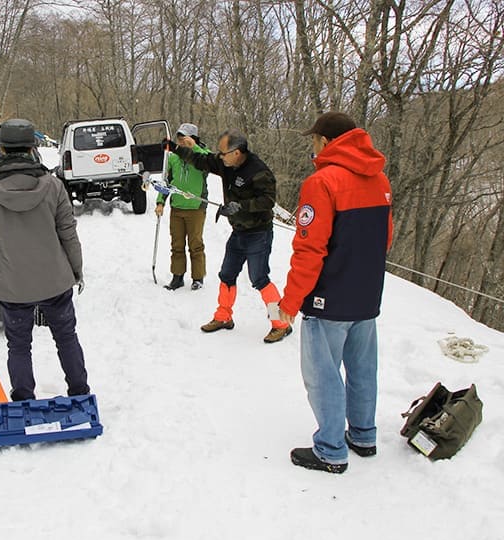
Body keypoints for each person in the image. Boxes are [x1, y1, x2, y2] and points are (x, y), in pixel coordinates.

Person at [278, 112, 393, 474]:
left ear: (326, 142)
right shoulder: (379, 178)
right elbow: (385, 238)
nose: (312, 146)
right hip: (367, 293)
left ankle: (330, 448)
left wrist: (290, 303)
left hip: (329, 297)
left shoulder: (322, 182)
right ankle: (362, 434)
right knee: (362, 369)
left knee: (323, 373)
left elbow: (310, 250)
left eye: (314, 140)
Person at [0, 118, 89, 402]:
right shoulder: (53, 186)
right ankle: (80, 392)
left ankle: (23, 398)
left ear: (3, 150)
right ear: (32, 147)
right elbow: (68, 232)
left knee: (19, 345)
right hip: (54, 280)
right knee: (66, 337)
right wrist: (77, 269)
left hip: (11, 285)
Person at [165, 130, 292, 343]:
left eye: (223, 153)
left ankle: (280, 323)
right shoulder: (226, 164)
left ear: (237, 152)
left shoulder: (258, 171)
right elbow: (201, 160)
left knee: (259, 278)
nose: (220, 156)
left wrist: (239, 206)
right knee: (226, 274)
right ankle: (224, 317)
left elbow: (268, 201)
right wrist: (175, 148)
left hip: (258, 233)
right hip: (238, 232)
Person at [155, 123, 210, 291]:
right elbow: (166, 182)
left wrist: (195, 148)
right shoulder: (173, 157)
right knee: (177, 245)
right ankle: (177, 277)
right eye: (180, 138)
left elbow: (210, 163)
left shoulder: (202, 155)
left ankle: (198, 278)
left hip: (196, 208)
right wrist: (160, 202)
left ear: (193, 138)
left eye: (185, 138)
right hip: (177, 208)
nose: (182, 141)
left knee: (195, 244)